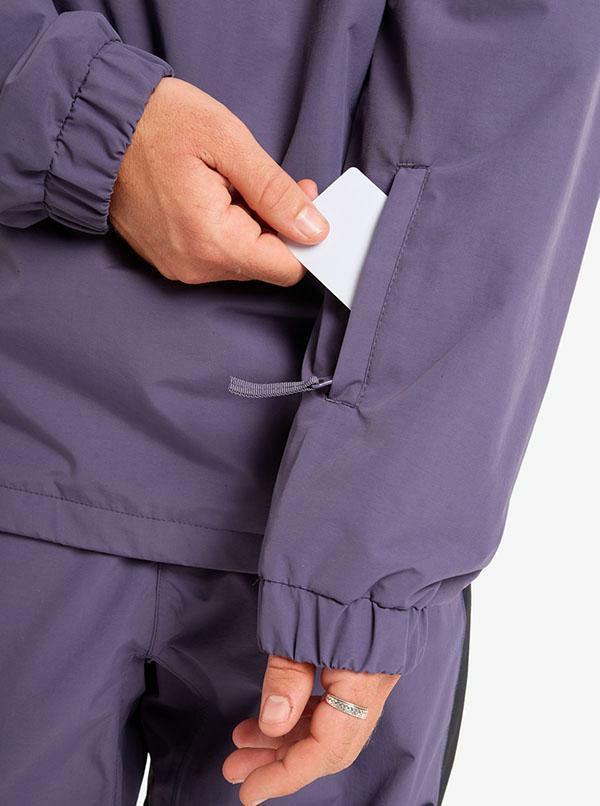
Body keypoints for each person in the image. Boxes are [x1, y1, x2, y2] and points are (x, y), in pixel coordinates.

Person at [0, 2, 597, 805]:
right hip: (45, 450)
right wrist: (87, 116)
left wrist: (75, 107)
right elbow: (506, 115)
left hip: (278, 511)